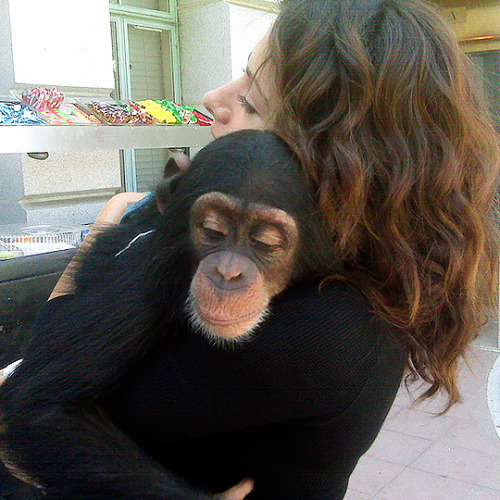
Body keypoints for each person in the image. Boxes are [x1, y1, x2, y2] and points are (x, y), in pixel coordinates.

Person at [2, 0, 499, 498]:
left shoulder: (333, 326)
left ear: (339, 160)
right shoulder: (358, 261)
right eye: (238, 76)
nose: (213, 97)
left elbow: (26, 416)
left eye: (255, 104)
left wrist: (107, 229)